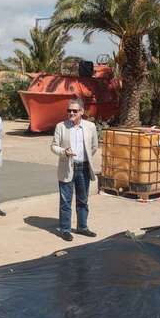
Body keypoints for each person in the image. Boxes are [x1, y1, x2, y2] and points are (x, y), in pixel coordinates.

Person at [51, 97, 99, 242]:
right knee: (65, 201)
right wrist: (64, 152)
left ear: (82, 112)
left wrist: (86, 158)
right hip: (67, 167)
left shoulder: (90, 126)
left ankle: (82, 227)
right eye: (69, 110)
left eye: (74, 110)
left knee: (83, 200)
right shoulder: (61, 126)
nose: (71, 113)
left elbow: (94, 147)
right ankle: (65, 229)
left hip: (83, 167)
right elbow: (53, 146)